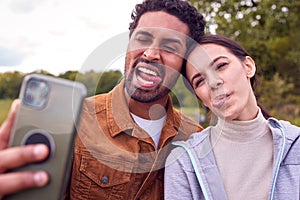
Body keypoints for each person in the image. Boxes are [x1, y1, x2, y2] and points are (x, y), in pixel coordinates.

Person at [0, 0, 206, 199]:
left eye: (170, 47)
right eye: (142, 39)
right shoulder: (74, 121)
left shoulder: (196, 139)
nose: (151, 54)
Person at [164, 34, 300, 200]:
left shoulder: (295, 145)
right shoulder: (183, 162)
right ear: (201, 98)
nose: (213, 83)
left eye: (220, 66)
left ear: (248, 66)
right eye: (200, 81)